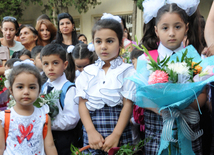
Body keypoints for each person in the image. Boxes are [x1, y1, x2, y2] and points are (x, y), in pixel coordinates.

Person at [140, 1, 205, 155]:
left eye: (177, 27)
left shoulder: (195, 58)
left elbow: (203, 94)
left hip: (187, 122)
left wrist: (185, 108)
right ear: (156, 30)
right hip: (158, 126)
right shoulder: (147, 59)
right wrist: (164, 111)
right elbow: (141, 95)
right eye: (165, 28)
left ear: (186, 28)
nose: (171, 33)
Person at [74, 18, 136, 154]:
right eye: (98, 41)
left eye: (109, 41)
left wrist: (116, 134)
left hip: (119, 134)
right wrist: (90, 131)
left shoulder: (127, 71)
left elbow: (128, 104)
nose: (103, 46)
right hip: (93, 136)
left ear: (120, 43)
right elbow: (82, 104)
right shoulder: (88, 72)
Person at [0, 62, 57, 155]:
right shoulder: (4, 118)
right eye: (20, 87)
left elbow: (50, 146)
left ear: (39, 91)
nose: (26, 92)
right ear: (11, 90)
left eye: (32, 87)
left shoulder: (43, 117)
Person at [40, 43, 80, 155]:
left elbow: (72, 119)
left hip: (64, 139)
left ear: (65, 64)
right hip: (46, 137)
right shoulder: (44, 87)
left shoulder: (69, 89)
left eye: (55, 63)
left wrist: (48, 125)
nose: (50, 68)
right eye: (46, 64)